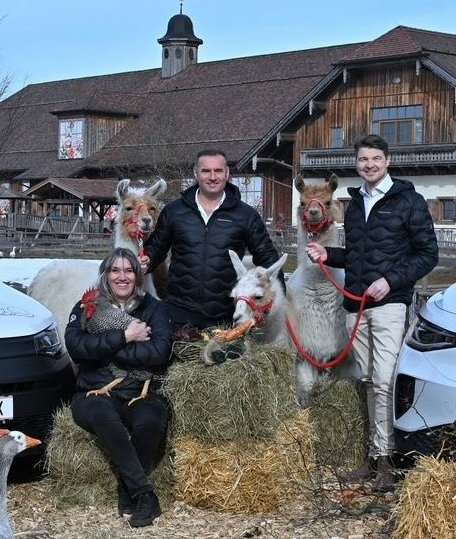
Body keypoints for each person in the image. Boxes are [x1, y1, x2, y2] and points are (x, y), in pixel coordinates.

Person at [304, 134, 438, 492]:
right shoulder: (355, 204)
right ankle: (373, 459)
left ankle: (387, 463)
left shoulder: (409, 202)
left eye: (376, 159)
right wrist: (327, 256)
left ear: (388, 161)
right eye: (364, 160)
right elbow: (356, 257)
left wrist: (390, 281)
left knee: (384, 380)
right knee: (366, 382)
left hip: (389, 304)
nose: (370, 165)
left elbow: (428, 254)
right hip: (357, 306)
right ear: (357, 164)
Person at [64, 247, 176, 526]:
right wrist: (124, 337)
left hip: (140, 390)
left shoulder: (154, 308)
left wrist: (106, 349)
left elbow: (160, 352)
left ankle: (127, 489)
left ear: (137, 275)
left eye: (128, 270)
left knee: (152, 418)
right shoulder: (87, 306)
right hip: (94, 391)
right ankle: (143, 493)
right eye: (115, 270)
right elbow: (77, 348)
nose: (122, 276)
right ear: (105, 275)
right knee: (103, 415)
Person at [143, 149, 282, 331]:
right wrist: (148, 260)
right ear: (195, 173)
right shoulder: (174, 211)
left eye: (218, 171)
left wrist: (281, 297)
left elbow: (267, 256)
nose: (212, 177)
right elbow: (156, 247)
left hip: (224, 315)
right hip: (179, 312)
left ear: (227, 173)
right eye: (206, 171)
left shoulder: (245, 215)